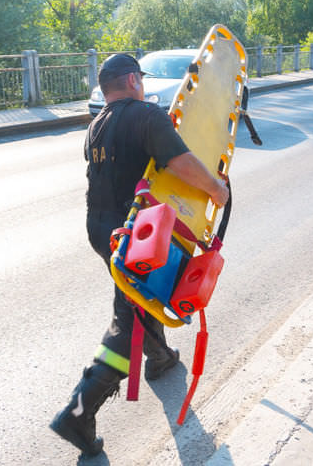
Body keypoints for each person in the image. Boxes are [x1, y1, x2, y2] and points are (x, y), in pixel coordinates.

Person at [50, 53, 229, 458]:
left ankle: (161, 356)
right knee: (127, 319)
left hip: (101, 230)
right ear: (133, 80)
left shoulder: (95, 126)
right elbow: (181, 163)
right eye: (141, 80)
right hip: (135, 234)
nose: (143, 86)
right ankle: (79, 412)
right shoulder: (147, 116)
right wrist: (216, 189)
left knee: (140, 294)